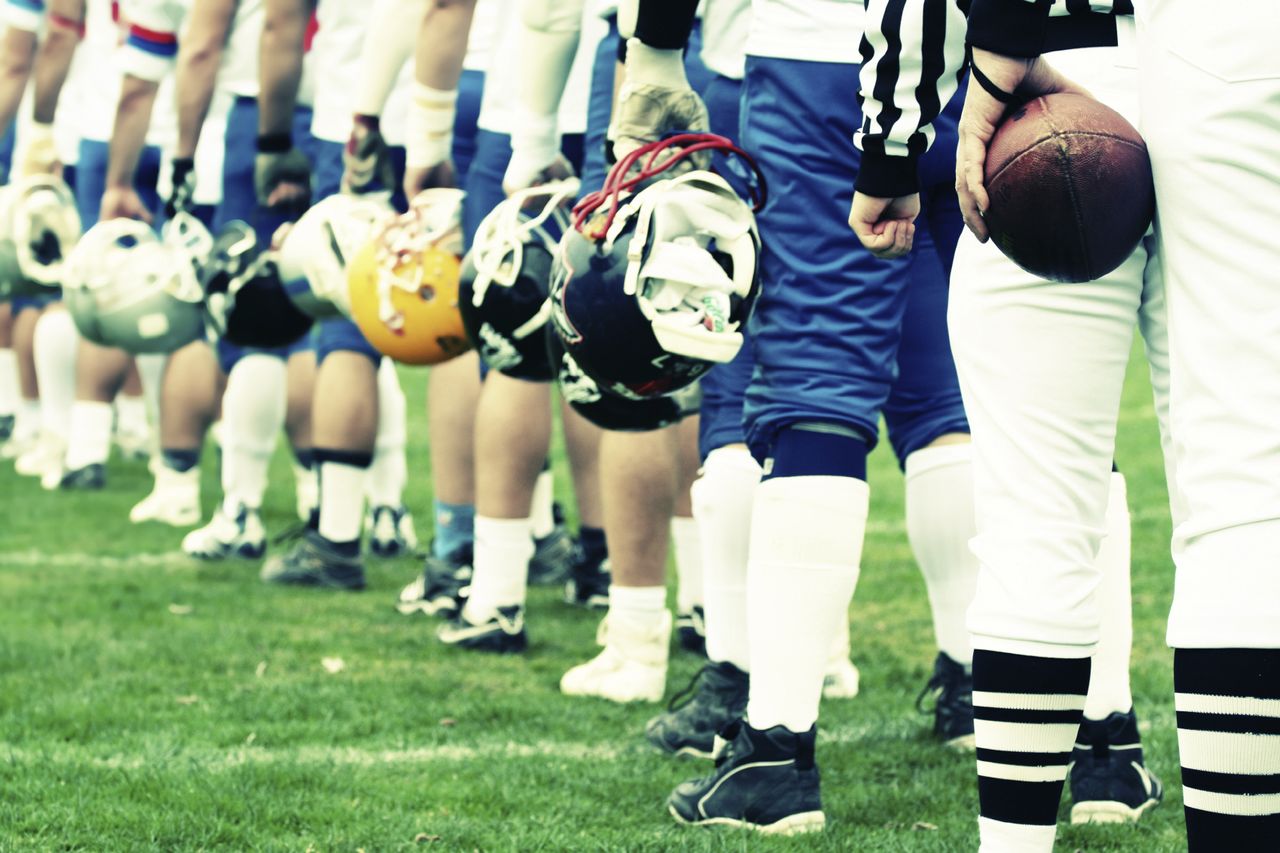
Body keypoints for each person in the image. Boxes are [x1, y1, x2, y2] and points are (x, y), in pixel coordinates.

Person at [948, 1, 1280, 849]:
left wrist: (996, 54)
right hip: (1243, 48)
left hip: (1073, 50)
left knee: (1033, 521)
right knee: (1247, 495)